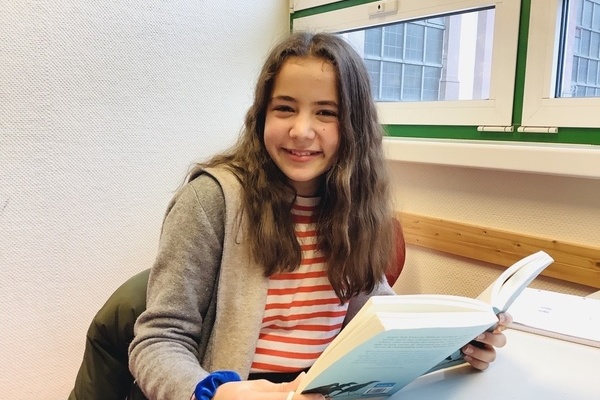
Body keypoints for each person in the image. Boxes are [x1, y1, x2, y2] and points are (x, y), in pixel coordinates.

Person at [127, 31, 512, 400]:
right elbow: (158, 340)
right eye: (284, 108)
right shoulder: (210, 199)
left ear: (353, 127)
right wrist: (216, 393)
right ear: (261, 115)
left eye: (326, 112)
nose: (301, 131)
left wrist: (457, 343)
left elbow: (377, 317)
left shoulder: (354, 204)